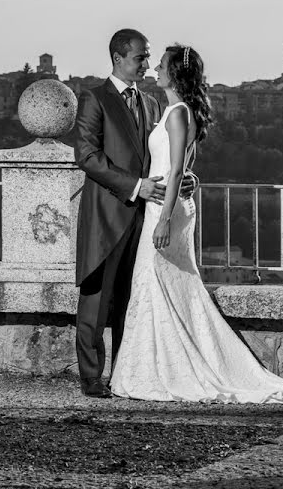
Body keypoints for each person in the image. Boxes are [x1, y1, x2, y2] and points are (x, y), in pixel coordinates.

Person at [110, 45, 283, 404]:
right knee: (165, 288)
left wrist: (165, 219)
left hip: (165, 209)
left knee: (157, 284)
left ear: (175, 74)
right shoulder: (179, 111)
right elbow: (181, 168)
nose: (154, 69)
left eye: (161, 65)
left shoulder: (176, 113)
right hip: (168, 203)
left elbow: (174, 170)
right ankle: (155, 366)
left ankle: (161, 370)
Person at [73, 29, 196, 398]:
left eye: (147, 58)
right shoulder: (94, 98)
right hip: (107, 215)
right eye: (140, 57)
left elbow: (165, 159)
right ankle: (91, 378)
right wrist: (134, 186)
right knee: (95, 302)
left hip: (143, 221)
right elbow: (87, 156)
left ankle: (125, 373)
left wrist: (185, 178)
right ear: (117, 58)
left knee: (130, 302)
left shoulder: (152, 105)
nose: (146, 63)